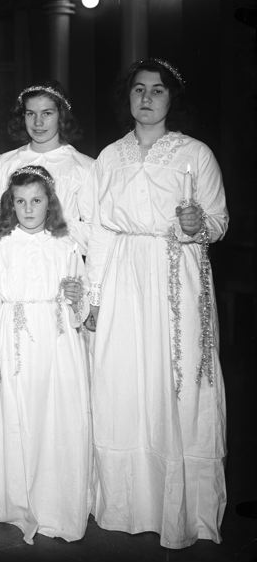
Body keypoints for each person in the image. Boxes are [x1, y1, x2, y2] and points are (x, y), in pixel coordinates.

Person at [85, 58, 228, 548]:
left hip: (176, 273)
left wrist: (198, 226)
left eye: (158, 90)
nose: (146, 98)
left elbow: (218, 220)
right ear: (127, 97)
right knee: (124, 380)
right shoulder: (110, 157)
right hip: (123, 273)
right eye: (138, 89)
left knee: (178, 381)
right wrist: (94, 297)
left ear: (172, 99)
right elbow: (99, 230)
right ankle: (127, 505)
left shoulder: (195, 154)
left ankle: (184, 510)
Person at [0, 166, 91, 544]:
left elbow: (80, 302)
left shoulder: (65, 245)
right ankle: (21, 502)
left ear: (50, 202)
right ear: (11, 205)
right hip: (15, 340)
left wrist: (77, 301)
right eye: (20, 201)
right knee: (21, 418)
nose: (29, 209)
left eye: (36, 200)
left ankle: (57, 506)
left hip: (57, 340)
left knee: (57, 419)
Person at [0, 82, 93, 252]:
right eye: (30, 114)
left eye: (47, 113)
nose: (38, 122)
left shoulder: (83, 167)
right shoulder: (5, 164)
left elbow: (94, 235)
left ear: (61, 115)